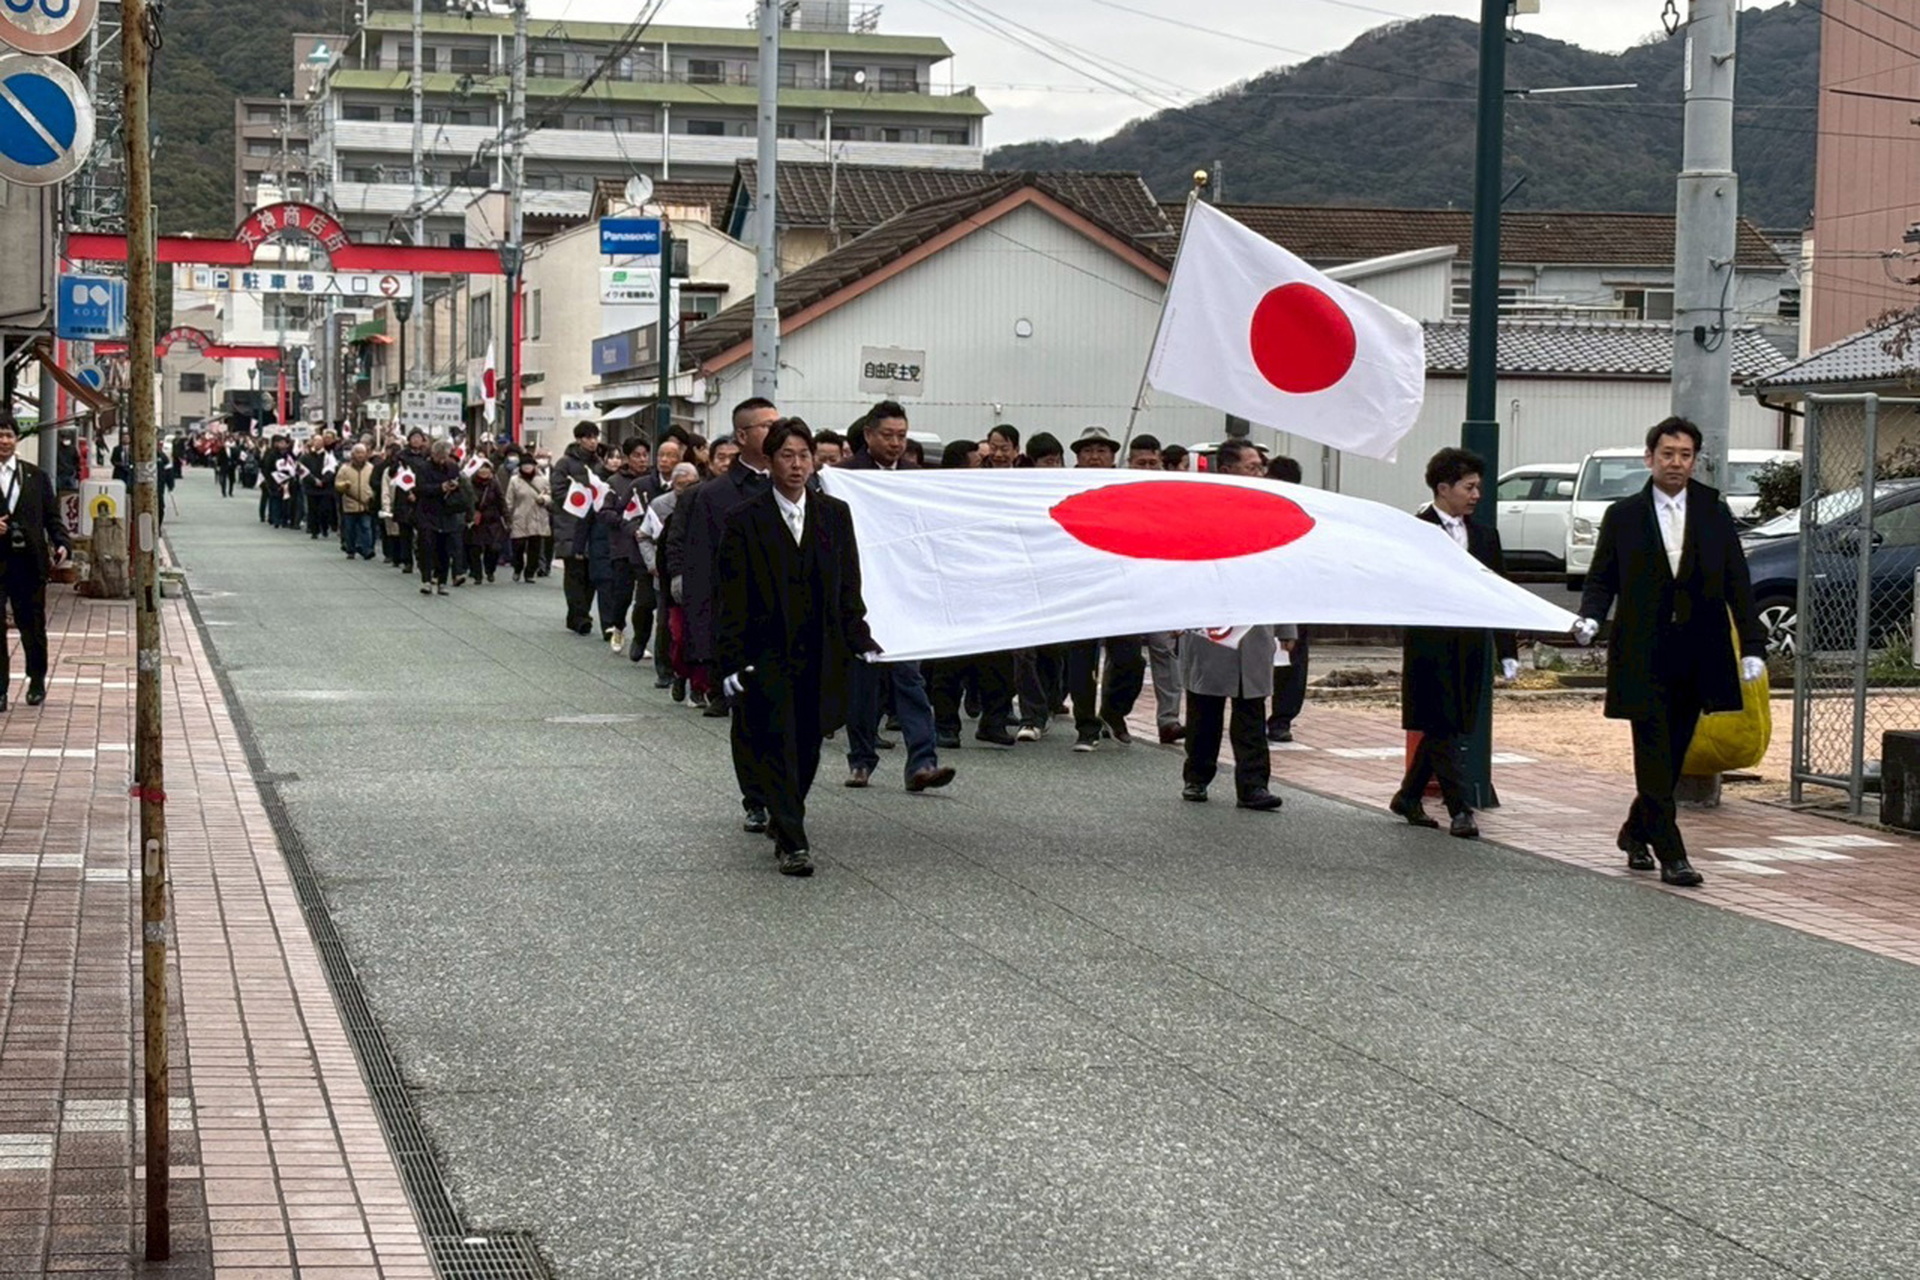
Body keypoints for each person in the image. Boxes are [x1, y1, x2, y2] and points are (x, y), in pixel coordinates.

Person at [1572, 417, 1766, 888]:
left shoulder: (1713, 510)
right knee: (1653, 752)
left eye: (1685, 455)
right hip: (1644, 651)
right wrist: (1591, 617)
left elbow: (1737, 580)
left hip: (1698, 651)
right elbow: (1601, 578)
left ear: (1694, 460)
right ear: (1649, 458)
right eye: (1667, 454)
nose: (1676, 463)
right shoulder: (1624, 515)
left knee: (1673, 755)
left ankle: (1634, 832)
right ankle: (1672, 853)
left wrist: (1752, 644)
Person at [714, 419, 883, 878]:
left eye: (804, 455)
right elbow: (731, 596)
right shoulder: (744, 519)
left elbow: (849, 584)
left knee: (808, 742)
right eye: (786, 456)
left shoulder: (834, 514)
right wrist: (730, 659)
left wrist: (859, 636)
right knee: (777, 740)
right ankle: (794, 840)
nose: (796, 465)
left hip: (821, 647)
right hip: (765, 651)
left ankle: (784, 812)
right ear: (769, 462)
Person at [1391, 447, 1518, 841]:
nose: (1476, 495)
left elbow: (1500, 591)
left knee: (1450, 725)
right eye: (1469, 487)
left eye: (1478, 487)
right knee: (1440, 723)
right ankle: (1459, 808)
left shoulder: (1484, 535)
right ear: (1443, 488)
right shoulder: (1415, 531)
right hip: (1430, 644)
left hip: (1470, 644)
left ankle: (1408, 796)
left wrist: (1507, 649)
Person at [835, 402, 954, 794]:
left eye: (902, 435)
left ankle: (923, 761)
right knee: (863, 683)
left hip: (905, 592)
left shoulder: (916, 478)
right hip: (861, 593)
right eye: (888, 435)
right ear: (868, 435)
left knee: (909, 677)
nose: (896, 443)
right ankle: (861, 760)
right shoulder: (845, 476)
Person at [1063, 426, 1146, 751]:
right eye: (1088, 451)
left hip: (1121, 586)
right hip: (1081, 586)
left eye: (1101, 451)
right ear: (1077, 458)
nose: (1095, 456)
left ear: (1113, 457)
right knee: (1082, 662)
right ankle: (1086, 726)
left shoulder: (1126, 489)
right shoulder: (1064, 489)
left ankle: (1113, 711)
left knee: (1131, 660)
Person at [0, 420, 71, 710]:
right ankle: (0, 690)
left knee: (32, 625)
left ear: (16, 439)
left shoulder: (36, 476)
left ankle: (37, 679)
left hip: (29, 561)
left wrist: (62, 543)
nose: (3, 441)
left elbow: (52, 517)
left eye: (8, 435)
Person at [1264, 455, 1311, 744]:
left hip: (1292, 597)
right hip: (1266, 595)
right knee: (1264, 657)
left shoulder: (1300, 514)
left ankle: (1281, 719)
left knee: (1291, 657)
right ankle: (1273, 717)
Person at [548, 421, 603, 634]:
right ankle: (580, 617)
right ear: (579, 439)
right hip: (571, 524)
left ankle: (579, 615)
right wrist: (580, 498)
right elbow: (558, 492)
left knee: (591, 575)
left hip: (594, 526)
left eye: (595, 437)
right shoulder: (565, 463)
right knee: (574, 572)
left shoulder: (599, 463)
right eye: (588, 437)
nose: (593, 442)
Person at [411, 439, 468, 596]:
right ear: (433, 454)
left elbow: (460, 485)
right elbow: (420, 488)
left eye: (445, 457)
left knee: (444, 549)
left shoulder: (453, 467)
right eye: (439, 457)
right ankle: (426, 580)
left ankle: (442, 581)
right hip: (427, 512)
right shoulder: (423, 468)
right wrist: (440, 488)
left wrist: (454, 486)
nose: (442, 460)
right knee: (427, 546)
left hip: (447, 512)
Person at [506, 455, 550, 583]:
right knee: (518, 545)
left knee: (535, 547)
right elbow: (509, 499)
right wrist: (507, 515)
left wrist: (544, 500)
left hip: (537, 516)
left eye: (529, 465)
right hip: (520, 516)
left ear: (534, 466)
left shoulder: (543, 480)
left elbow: (550, 495)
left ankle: (530, 572)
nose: (527, 467)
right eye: (524, 465)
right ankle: (518, 567)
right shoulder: (514, 480)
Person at [333, 443, 378, 561]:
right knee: (350, 529)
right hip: (350, 503)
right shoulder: (344, 468)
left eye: (362, 453)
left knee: (366, 527)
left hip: (366, 503)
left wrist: (372, 495)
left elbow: (375, 483)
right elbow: (337, 484)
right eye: (357, 453)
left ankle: (367, 550)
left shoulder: (371, 468)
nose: (360, 455)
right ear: (353, 454)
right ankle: (351, 549)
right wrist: (344, 485)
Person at [467, 461, 507, 583]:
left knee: (493, 549)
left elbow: (501, 501)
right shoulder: (470, 483)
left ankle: (490, 570)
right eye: (481, 468)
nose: (484, 471)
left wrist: (506, 517)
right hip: (475, 521)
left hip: (492, 521)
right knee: (474, 548)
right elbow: (465, 501)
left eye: (486, 468)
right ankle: (477, 574)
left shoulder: (494, 484)